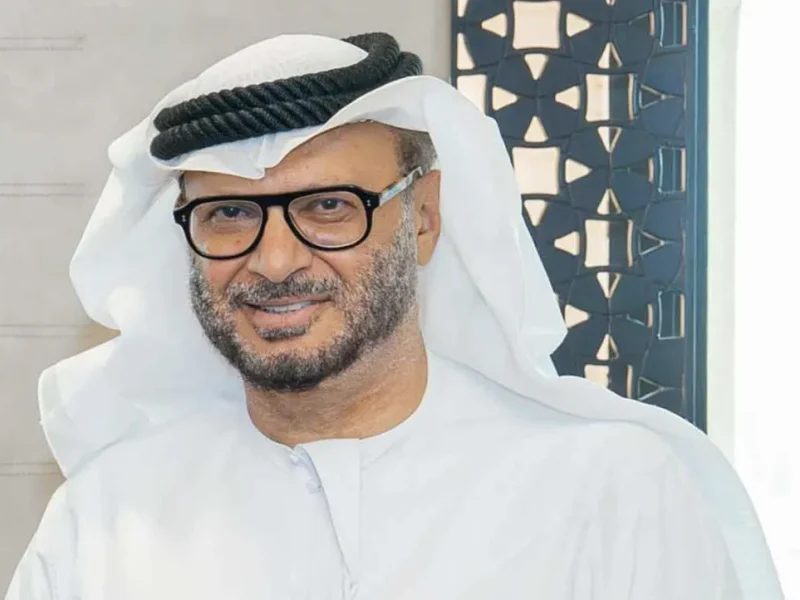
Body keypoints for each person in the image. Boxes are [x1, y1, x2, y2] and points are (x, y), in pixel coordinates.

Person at [6, 33, 783, 599]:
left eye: (329, 206)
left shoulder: (609, 489)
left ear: (424, 217)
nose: (273, 262)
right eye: (230, 213)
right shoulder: (105, 523)